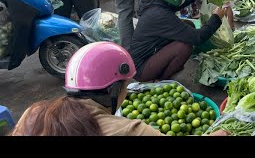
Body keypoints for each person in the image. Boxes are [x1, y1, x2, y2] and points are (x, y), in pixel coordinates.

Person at [11, 41, 227, 136]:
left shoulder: (34, 113)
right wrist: (224, 132)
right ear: (114, 89)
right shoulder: (127, 129)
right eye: (127, 85)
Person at [129, 0, 227, 82]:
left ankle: (165, 69)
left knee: (188, 25)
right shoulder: (159, 14)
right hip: (141, 70)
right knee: (184, 46)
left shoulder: (155, 3)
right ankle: (162, 81)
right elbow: (198, 37)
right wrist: (216, 18)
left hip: (150, 55)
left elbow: (177, 3)